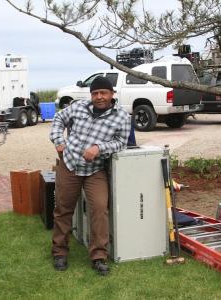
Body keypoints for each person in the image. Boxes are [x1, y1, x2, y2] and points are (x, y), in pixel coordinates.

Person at [50, 76, 131, 276]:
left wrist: (99, 148)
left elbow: (121, 142)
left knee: (99, 209)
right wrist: (58, 141)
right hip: (69, 165)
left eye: (103, 93)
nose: (99, 97)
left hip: (95, 170)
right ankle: (59, 252)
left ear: (112, 94)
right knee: (63, 208)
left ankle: (98, 257)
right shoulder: (78, 107)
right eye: (95, 93)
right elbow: (59, 118)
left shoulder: (122, 116)